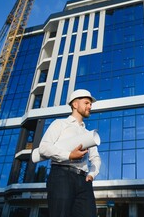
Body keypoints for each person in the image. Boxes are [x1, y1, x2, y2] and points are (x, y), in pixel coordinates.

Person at [38, 89, 101, 217]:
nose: (90, 106)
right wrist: (69, 156)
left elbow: (95, 158)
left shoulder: (88, 134)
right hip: (61, 176)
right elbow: (44, 147)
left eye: (90, 104)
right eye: (87, 103)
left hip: (84, 180)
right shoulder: (59, 124)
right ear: (75, 104)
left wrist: (92, 174)